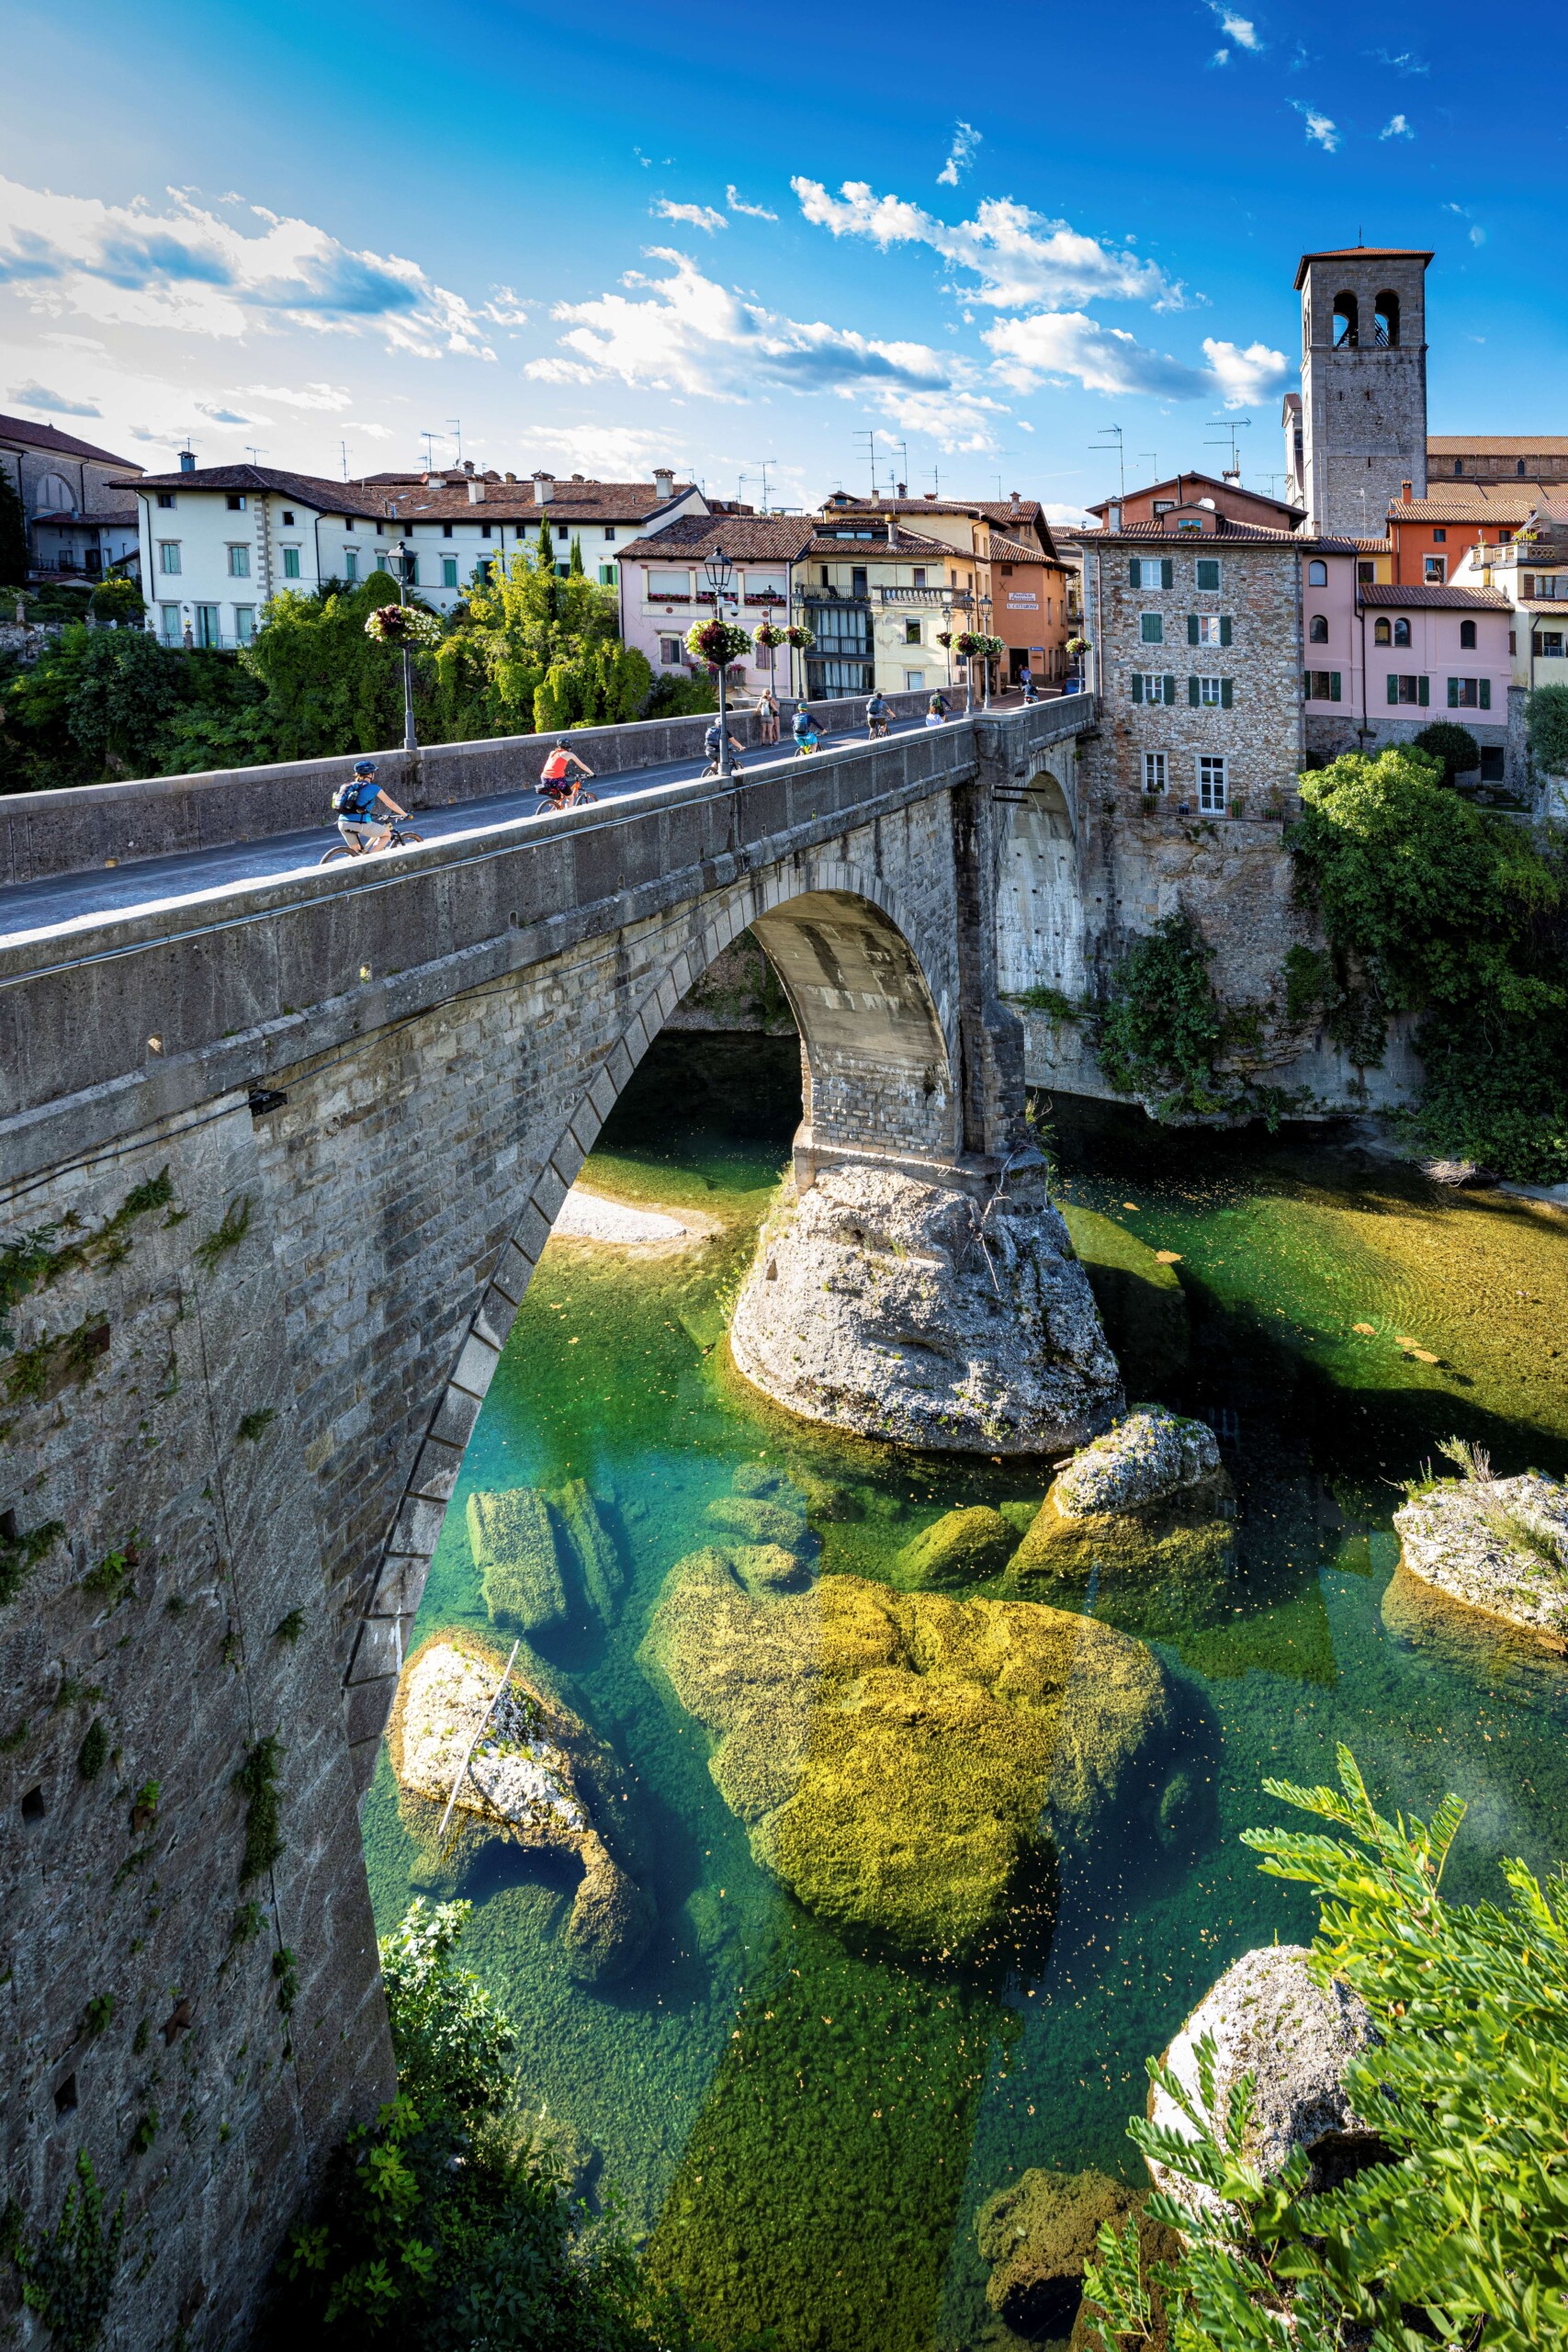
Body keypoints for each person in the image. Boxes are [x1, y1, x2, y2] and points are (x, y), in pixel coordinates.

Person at [331, 757, 406, 854]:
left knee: (357, 854)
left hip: (342, 823)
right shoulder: (374, 788)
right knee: (387, 835)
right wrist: (404, 814)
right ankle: (371, 858)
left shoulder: (350, 786)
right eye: (373, 772)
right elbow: (390, 804)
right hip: (359, 823)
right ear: (370, 774)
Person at [538, 738, 595, 806]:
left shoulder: (552, 753)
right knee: (570, 798)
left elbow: (552, 766)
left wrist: (563, 773)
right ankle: (567, 811)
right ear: (567, 745)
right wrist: (592, 773)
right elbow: (582, 766)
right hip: (556, 780)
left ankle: (556, 805)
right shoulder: (569, 754)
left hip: (544, 778)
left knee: (560, 793)